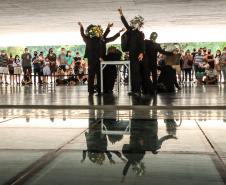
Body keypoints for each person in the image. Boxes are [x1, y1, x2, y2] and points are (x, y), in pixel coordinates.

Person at [78, 22, 123, 95]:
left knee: (95, 76)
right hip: (96, 60)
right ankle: (96, 90)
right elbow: (84, 36)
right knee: (96, 76)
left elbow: (109, 37)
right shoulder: (95, 40)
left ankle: (95, 90)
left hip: (95, 61)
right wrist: (81, 27)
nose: (100, 34)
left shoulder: (97, 39)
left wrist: (111, 29)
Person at [118, 6, 145, 96]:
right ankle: (134, 90)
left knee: (135, 73)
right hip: (132, 55)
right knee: (133, 73)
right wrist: (121, 14)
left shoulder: (138, 34)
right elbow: (125, 23)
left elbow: (142, 44)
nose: (131, 24)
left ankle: (137, 90)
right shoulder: (131, 31)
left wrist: (141, 53)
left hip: (136, 55)